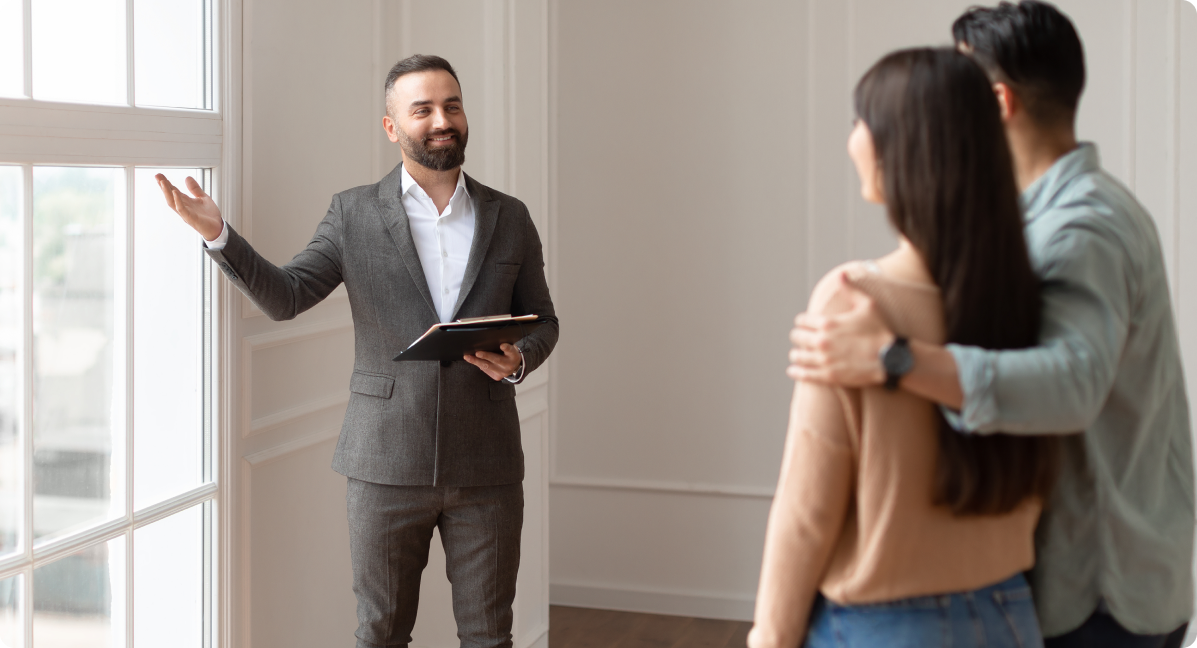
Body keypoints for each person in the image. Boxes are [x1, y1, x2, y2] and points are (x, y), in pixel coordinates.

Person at [786, 3, 1194, 647]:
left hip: (1099, 596)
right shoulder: (1046, 219)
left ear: (997, 101)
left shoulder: (1078, 230)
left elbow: (1073, 383)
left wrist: (893, 358)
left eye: (960, 78)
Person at [156, 54, 558, 648]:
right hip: (383, 462)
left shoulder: (511, 217)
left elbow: (543, 320)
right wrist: (219, 235)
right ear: (392, 127)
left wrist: (520, 358)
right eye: (422, 109)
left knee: (489, 636)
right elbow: (287, 296)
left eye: (451, 105)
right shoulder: (353, 214)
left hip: (487, 463)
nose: (441, 119)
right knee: (381, 633)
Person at [749, 47, 1060, 648]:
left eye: (859, 122)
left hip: (880, 626)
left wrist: (769, 638)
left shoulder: (854, 300)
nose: (851, 141)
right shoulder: (1026, 299)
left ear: (901, 150)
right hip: (1010, 616)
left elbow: (808, 513)